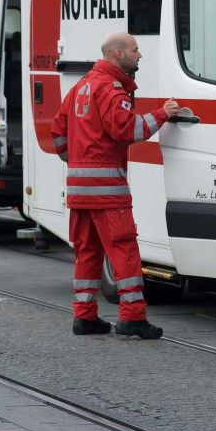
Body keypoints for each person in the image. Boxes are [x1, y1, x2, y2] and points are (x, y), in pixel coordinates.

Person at [51, 32, 182, 339]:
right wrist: (163, 113)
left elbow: (57, 133)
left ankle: (84, 317)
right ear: (118, 54)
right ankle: (132, 317)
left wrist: (77, 162)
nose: (140, 55)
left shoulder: (79, 87)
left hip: (79, 190)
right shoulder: (112, 91)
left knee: (87, 252)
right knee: (123, 250)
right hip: (107, 188)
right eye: (135, 50)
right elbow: (127, 129)